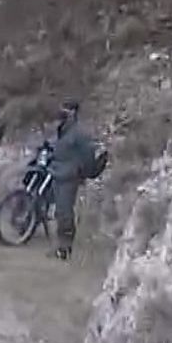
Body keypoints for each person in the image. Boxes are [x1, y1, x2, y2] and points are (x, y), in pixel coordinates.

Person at [48, 98, 99, 261]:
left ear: (73, 113)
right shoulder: (63, 129)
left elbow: (88, 155)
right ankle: (59, 246)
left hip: (69, 176)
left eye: (66, 109)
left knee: (64, 212)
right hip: (57, 172)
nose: (62, 112)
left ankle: (65, 248)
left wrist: (82, 172)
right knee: (59, 212)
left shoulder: (79, 133)